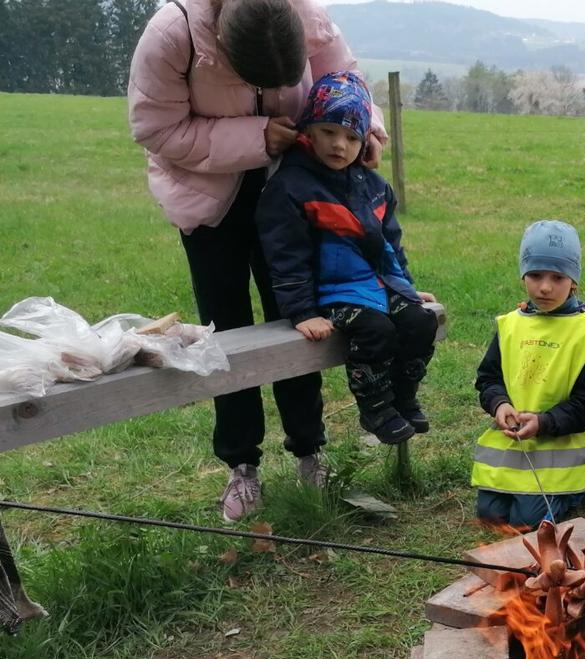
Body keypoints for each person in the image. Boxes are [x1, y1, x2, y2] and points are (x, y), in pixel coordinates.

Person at [128, 0, 387, 521]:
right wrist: (255, 137)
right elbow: (156, 129)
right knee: (226, 332)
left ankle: (310, 452)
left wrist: (369, 127)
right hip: (208, 199)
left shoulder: (304, 10)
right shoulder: (172, 32)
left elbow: (343, 77)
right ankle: (241, 465)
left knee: (299, 319)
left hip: (290, 191)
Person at [256, 71, 437, 445]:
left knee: (420, 322)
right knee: (376, 330)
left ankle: (403, 398)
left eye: (353, 137)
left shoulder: (373, 186)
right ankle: (376, 408)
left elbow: (391, 244)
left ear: (365, 141)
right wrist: (303, 311)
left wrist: (406, 288)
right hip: (332, 295)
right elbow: (286, 255)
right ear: (308, 129)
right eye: (328, 131)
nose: (340, 145)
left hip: (376, 284)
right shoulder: (290, 187)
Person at [471, 221, 585, 529]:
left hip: (561, 451)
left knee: (526, 522)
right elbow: (488, 378)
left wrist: (544, 422)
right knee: (490, 516)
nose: (545, 287)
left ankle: (579, 487)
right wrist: (499, 404)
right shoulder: (508, 325)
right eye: (535, 275)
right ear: (523, 275)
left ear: (574, 281)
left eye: (558, 277)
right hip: (514, 446)